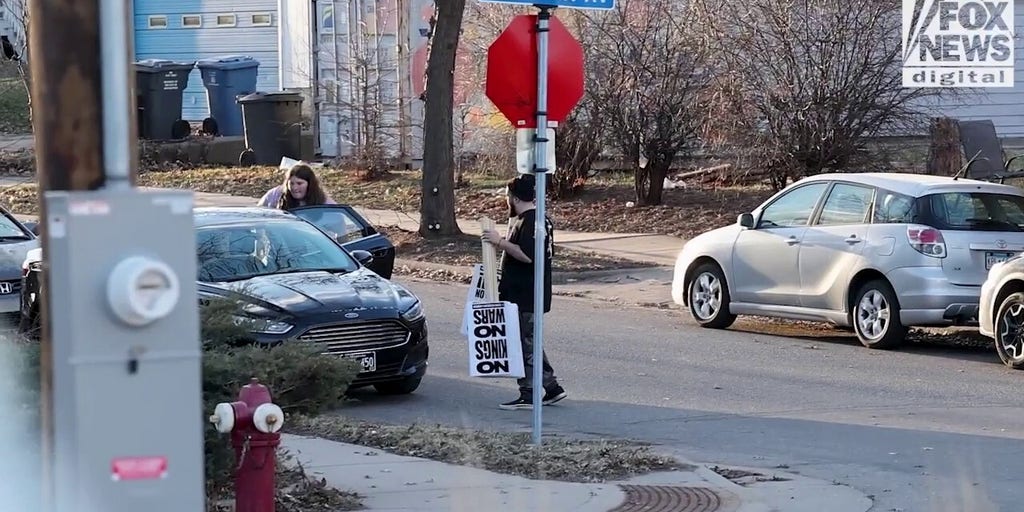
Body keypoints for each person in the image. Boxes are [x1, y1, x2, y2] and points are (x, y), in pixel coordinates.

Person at [482, 174, 567, 410]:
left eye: (508, 196)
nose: (506, 200)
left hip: (525, 292)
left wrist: (500, 242)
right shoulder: (538, 220)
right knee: (529, 342)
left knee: (524, 344)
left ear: (515, 197)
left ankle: (529, 392)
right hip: (529, 292)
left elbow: (528, 256)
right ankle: (551, 388)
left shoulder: (530, 222)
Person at [257, 163, 336, 211]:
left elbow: (339, 223)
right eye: (291, 183)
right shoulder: (276, 194)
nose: (294, 188)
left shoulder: (325, 202)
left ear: (310, 184)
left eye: (299, 183)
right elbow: (258, 212)